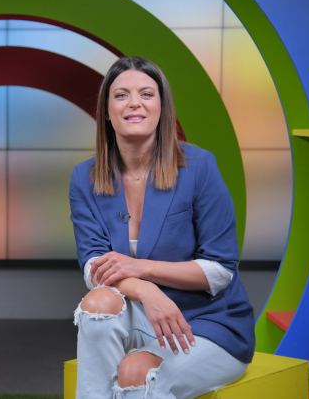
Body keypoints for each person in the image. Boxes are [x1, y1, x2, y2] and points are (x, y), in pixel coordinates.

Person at [70, 56, 255, 398]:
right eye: (121, 95)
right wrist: (146, 291)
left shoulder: (200, 167)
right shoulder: (85, 177)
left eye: (146, 94)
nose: (134, 103)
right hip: (139, 317)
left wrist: (141, 268)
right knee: (98, 304)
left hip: (209, 323)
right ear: (107, 111)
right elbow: (94, 266)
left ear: (162, 107)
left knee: (136, 374)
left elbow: (219, 271)